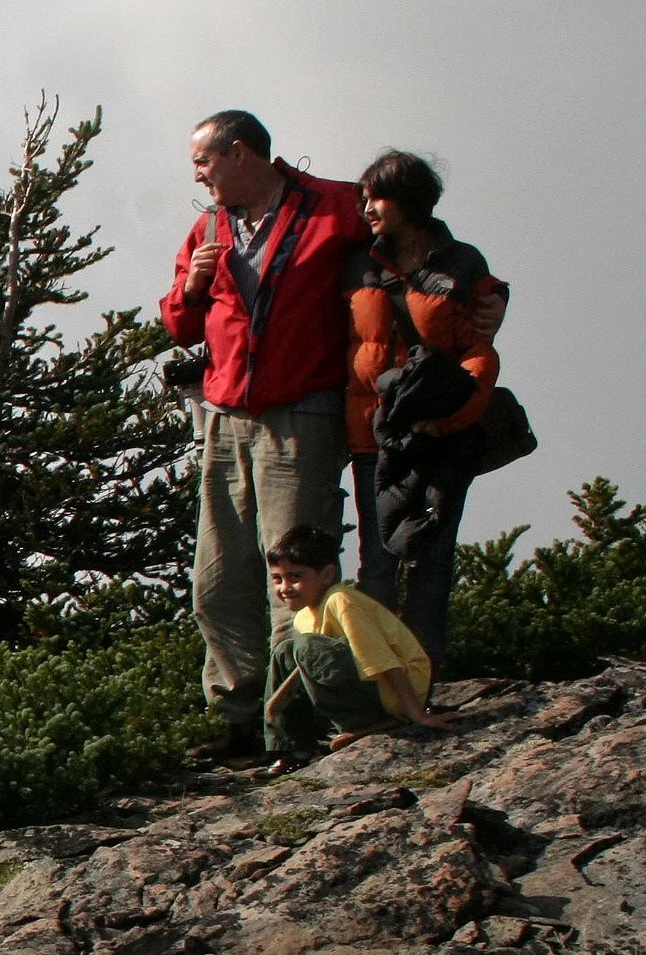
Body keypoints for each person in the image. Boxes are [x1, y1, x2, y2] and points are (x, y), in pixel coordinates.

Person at [161, 111, 370, 768]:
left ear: (241, 152)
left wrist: (480, 293)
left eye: (204, 161)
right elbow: (180, 325)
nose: (197, 175)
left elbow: (407, 252)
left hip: (301, 415)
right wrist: (191, 286)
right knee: (216, 580)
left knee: (293, 577)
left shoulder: (334, 207)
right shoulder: (207, 228)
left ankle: (294, 722)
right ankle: (236, 719)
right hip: (224, 417)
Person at [347, 150, 504, 664]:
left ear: (409, 200)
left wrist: (455, 417)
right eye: (364, 197)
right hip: (376, 431)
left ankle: (424, 681)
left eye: (377, 197)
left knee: (430, 560)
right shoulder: (358, 261)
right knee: (377, 563)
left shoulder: (462, 262)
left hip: (442, 434)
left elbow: (477, 349)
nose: (367, 207)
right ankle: (381, 688)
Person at [261, 524, 452, 770]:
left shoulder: (340, 601)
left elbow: (383, 660)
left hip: (393, 694)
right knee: (285, 651)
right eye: (278, 578)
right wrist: (274, 708)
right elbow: (304, 671)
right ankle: (291, 749)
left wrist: (416, 713)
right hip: (372, 691)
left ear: (327, 575)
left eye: (296, 577)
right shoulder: (303, 616)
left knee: (304, 646)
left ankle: (368, 722)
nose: (285, 588)